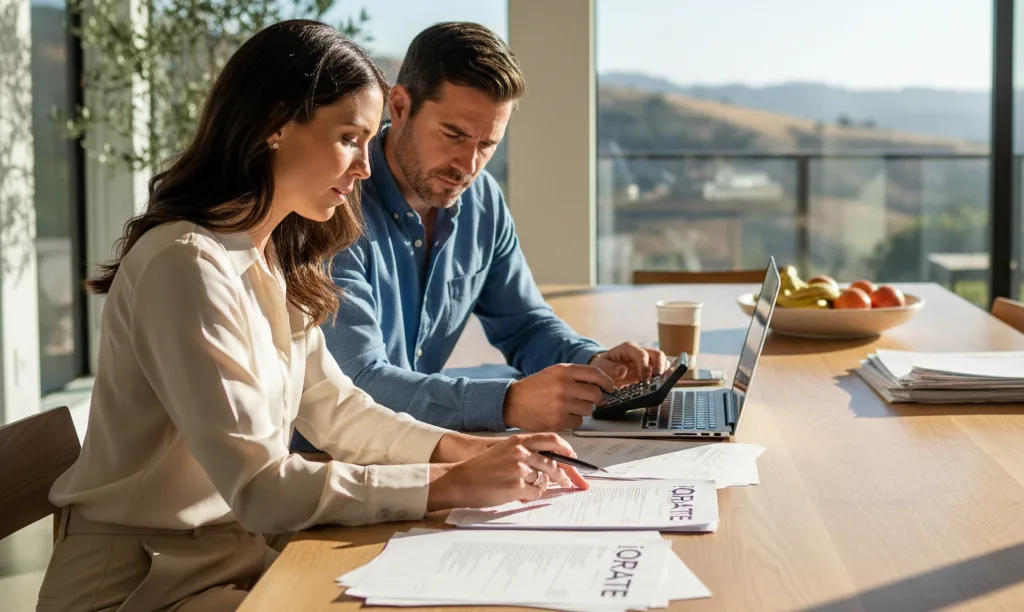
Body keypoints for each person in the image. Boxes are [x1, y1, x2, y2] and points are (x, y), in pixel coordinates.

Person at [36, 20, 585, 612]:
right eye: (350, 137)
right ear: (274, 124)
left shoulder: (275, 253)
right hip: (138, 587)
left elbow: (339, 411)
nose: (365, 168)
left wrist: (460, 450)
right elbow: (261, 487)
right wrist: (444, 485)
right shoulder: (186, 263)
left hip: (233, 559)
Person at [302, 22, 667, 444]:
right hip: (329, 463)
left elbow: (525, 325)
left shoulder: (481, 202)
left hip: (421, 448)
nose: (468, 165)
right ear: (400, 106)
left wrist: (591, 362)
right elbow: (360, 385)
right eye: (453, 135)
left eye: (487, 145)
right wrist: (508, 403)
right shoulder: (333, 205)